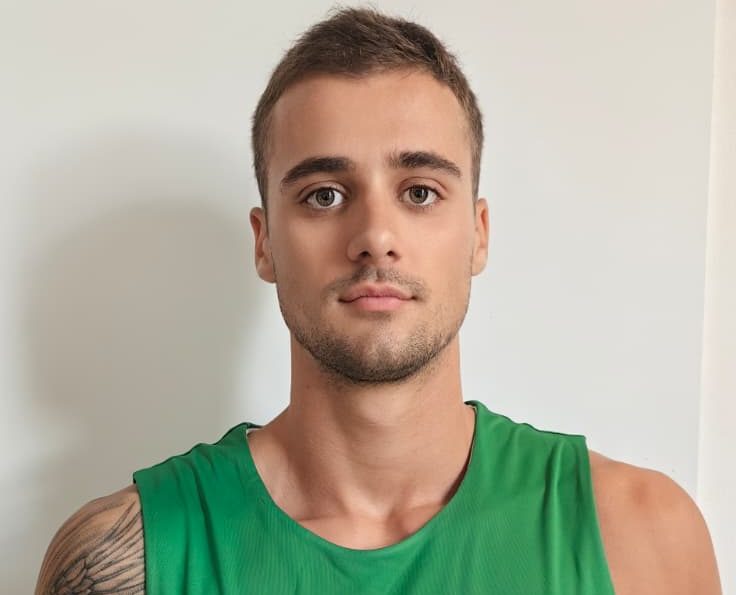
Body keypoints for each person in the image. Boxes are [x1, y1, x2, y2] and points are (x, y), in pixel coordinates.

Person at [35, 7, 721, 594]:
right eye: (324, 195)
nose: (375, 237)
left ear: (478, 234)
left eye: (420, 191)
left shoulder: (640, 539)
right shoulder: (126, 560)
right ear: (265, 242)